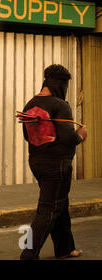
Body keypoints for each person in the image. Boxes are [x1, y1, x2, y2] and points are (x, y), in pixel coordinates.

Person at [20, 64, 86, 260]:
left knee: (60, 205)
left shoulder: (29, 105)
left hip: (37, 162)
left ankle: (65, 249)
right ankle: (28, 254)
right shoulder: (60, 105)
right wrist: (81, 135)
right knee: (48, 210)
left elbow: (27, 136)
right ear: (60, 83)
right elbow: (69, 138)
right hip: (56, 165)